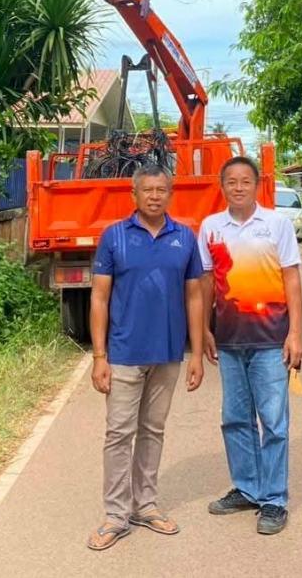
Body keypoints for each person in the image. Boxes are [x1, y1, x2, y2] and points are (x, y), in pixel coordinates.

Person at [87, 163, 205, 552]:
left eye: (162, 190)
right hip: (123, 353)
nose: (155, 196)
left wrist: (195, 353)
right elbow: (100, 298)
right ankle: (116, 515)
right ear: (134, 195)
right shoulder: (114, 237)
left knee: (153, 431)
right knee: (119, 434)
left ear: (170, 194)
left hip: (168, 353)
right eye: (148, 190)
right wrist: (99, 355)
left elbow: (194, 296)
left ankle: (146, 505)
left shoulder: (184, 238)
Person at [199, 155, 302, 536]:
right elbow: (207, 284)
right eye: (232, 181)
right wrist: (203, 331)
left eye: (245, 181)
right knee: (235, 419)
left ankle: (274, 499)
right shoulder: (211, 228)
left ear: (256, 185)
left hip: (270, 338)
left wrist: (296, 333)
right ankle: (247, 488)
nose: (238, 187)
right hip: (228, 339)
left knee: (274, 422)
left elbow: (291, 279)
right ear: (222, 186)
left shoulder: (276, 224)